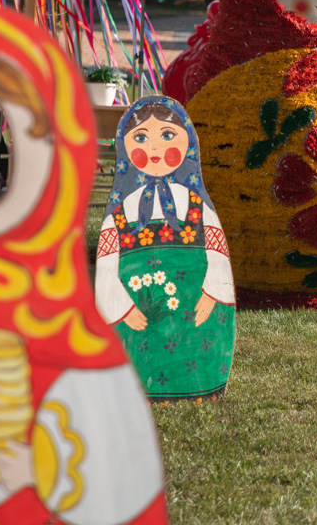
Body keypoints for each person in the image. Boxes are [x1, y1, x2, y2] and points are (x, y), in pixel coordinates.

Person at [94, 96, 235, 401]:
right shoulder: (120, 212)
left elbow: (217, 255)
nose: (154, 148)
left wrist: (212, 292)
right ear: (124, 147)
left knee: (200, 343)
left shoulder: (197, 204)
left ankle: (201, 385)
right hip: (138, 316)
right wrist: (122, 308)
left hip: (195, 312)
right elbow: (106, 268)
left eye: (168, 135)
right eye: (141, 138)